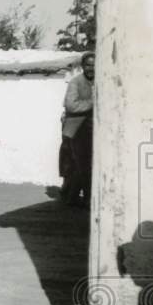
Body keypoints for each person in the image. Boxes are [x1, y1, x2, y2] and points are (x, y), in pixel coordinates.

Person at [61, 52, 95, 207]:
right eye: (88, 65)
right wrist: (93, 102)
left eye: (94, 65)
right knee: (81, 165)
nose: (92, 68)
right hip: (76, 129)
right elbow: (71, 105)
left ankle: (72, 198)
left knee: (84, 165)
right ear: (83, 66)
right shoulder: (75, 82)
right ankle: (84, 199)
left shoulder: (99, 81)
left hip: (90, 130)